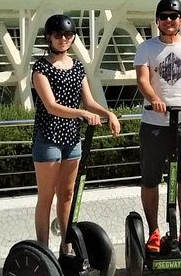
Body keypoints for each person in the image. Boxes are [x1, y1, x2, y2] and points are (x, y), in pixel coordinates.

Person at [31, 14, 121, 252]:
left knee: (68, 194)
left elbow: (89, 101)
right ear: (49, 37)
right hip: (48, 138)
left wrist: (108, 113)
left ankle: (66, 246)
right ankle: (43, 251)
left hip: (72, 139)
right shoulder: (41, 68)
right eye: (58, 35)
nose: (63, 39)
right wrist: (81, 114)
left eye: (68, 35)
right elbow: (51, 106)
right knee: (46, 197)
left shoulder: (77, 66)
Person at [133, 0, 181, 253]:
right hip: (154, 122)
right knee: (150, 179)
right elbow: (142, 79)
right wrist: (153, 99)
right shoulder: (146, 47)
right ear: (157, 20)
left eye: (173, 17)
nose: (168, 20)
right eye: (163, 16)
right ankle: (154, 231)